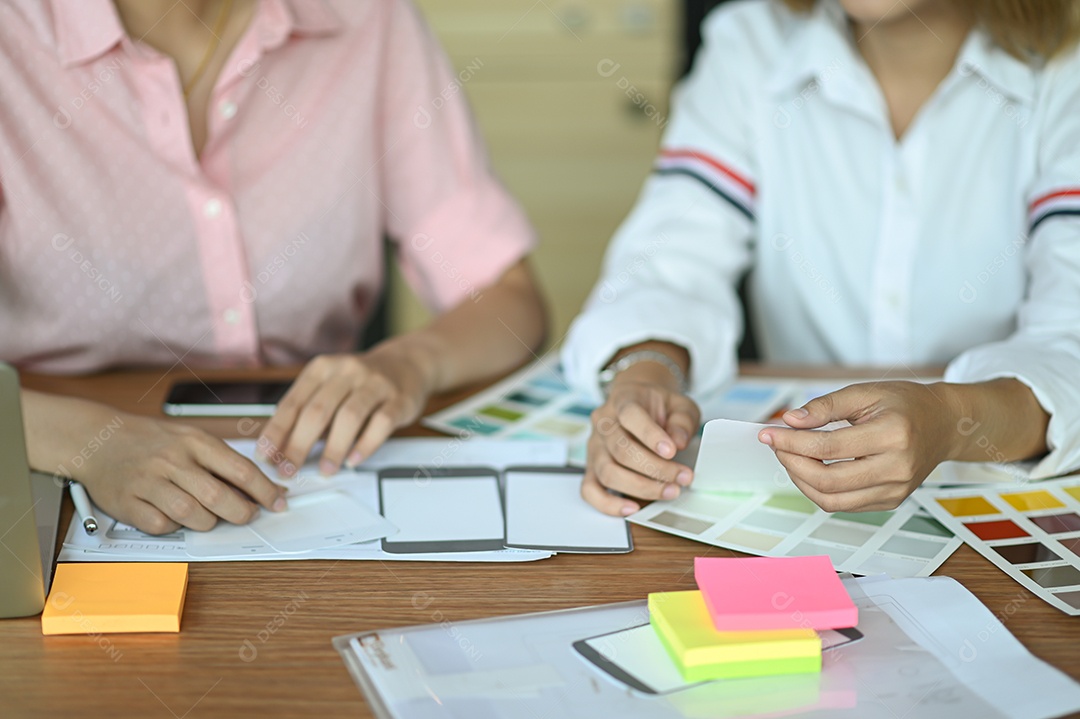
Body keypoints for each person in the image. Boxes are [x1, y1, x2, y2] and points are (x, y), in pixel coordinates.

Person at [0, 0, 546, 534]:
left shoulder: (369, 17)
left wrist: (411, 362)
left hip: (309, 476)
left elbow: (506, 299)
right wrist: (91, 441)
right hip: (40, 468)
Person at [563, 0, 1080, 516]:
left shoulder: (1065, 73)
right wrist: (645, 373)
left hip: (1001, 499)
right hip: (791, 499)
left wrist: (951, 419)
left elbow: (1071, 340)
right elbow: (671, 260)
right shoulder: (750, 44)